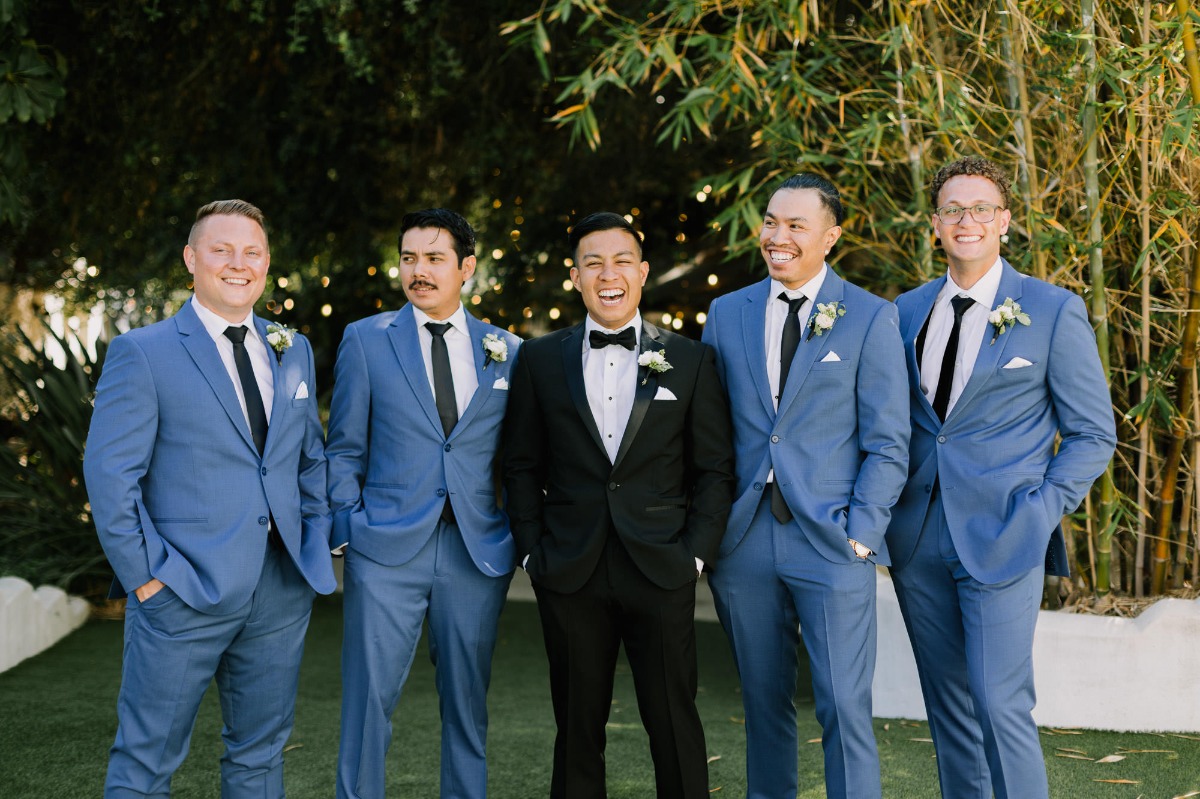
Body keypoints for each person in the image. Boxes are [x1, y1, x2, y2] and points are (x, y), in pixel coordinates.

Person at [84, 199, 336, 798]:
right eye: (221, 249)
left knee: (259, 758)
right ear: (191, 258)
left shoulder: (290, 347)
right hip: (182, 589)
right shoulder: (144, 351)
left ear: (267, 263)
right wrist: (147, 577)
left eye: (251, 252)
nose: (237, 263)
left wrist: (314, 539)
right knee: (145, 763)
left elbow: (309, 456)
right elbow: (110, 474)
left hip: (279, 589)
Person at [886, 156, 1116, 798]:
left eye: (981, 208)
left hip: (1005, 532)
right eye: (953, 209)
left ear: (1005, 221)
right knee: (949, 710)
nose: (968, 220)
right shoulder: (904, 312)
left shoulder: (1050, 310)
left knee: (998, 701)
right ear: (935, 224)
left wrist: (1041, 510)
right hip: (918, 535)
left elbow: (1094, 433)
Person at [502, 212, 734, 799]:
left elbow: (713, 469)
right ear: (575, 277)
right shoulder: (538, 360)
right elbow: (521, 466)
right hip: (570, 571)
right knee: (577, 729)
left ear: (643, 272)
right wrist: (533, 553)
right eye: (594, 263)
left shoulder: (689, 359)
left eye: (622, 260)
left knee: (674, 724)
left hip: (662, 568)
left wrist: (695, 558)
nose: (609, 274)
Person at [701, 173, 910, 799]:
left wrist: (862, 534)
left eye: (795, 225)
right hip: (743, 539)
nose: (777, 236)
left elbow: (889, 440)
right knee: (762, 705)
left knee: (844, 705)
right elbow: (708, 432)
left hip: (832, 539)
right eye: (770, 221)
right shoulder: (726, 311)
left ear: (831, 236)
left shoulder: (872, 317)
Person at [326, 208, 521, 799]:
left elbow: (515, 457)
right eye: (409, 257)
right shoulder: (365, 339)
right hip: (384, 548)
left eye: (434, 258)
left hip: (474, 550)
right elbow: (343, 447)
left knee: (467, 706)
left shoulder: (507, 350)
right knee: (367, 703)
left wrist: (512, 531)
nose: (418, 270)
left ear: (466, 267)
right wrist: (347, 527)